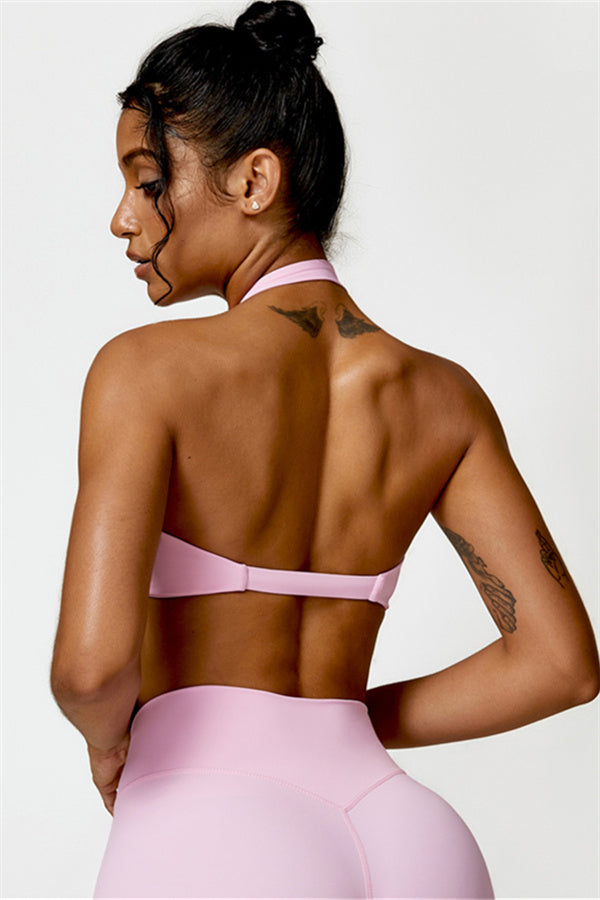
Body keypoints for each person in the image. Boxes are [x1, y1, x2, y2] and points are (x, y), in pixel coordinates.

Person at [49, 1, 599, 897]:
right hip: (411, 838)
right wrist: (339, 722)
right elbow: (560, 664)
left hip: (214, 830)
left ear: (255, 180)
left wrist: (109, 744)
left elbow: (91, 668)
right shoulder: (444, 398)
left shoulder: (143, 372)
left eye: (146, 181)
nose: (122, 218)